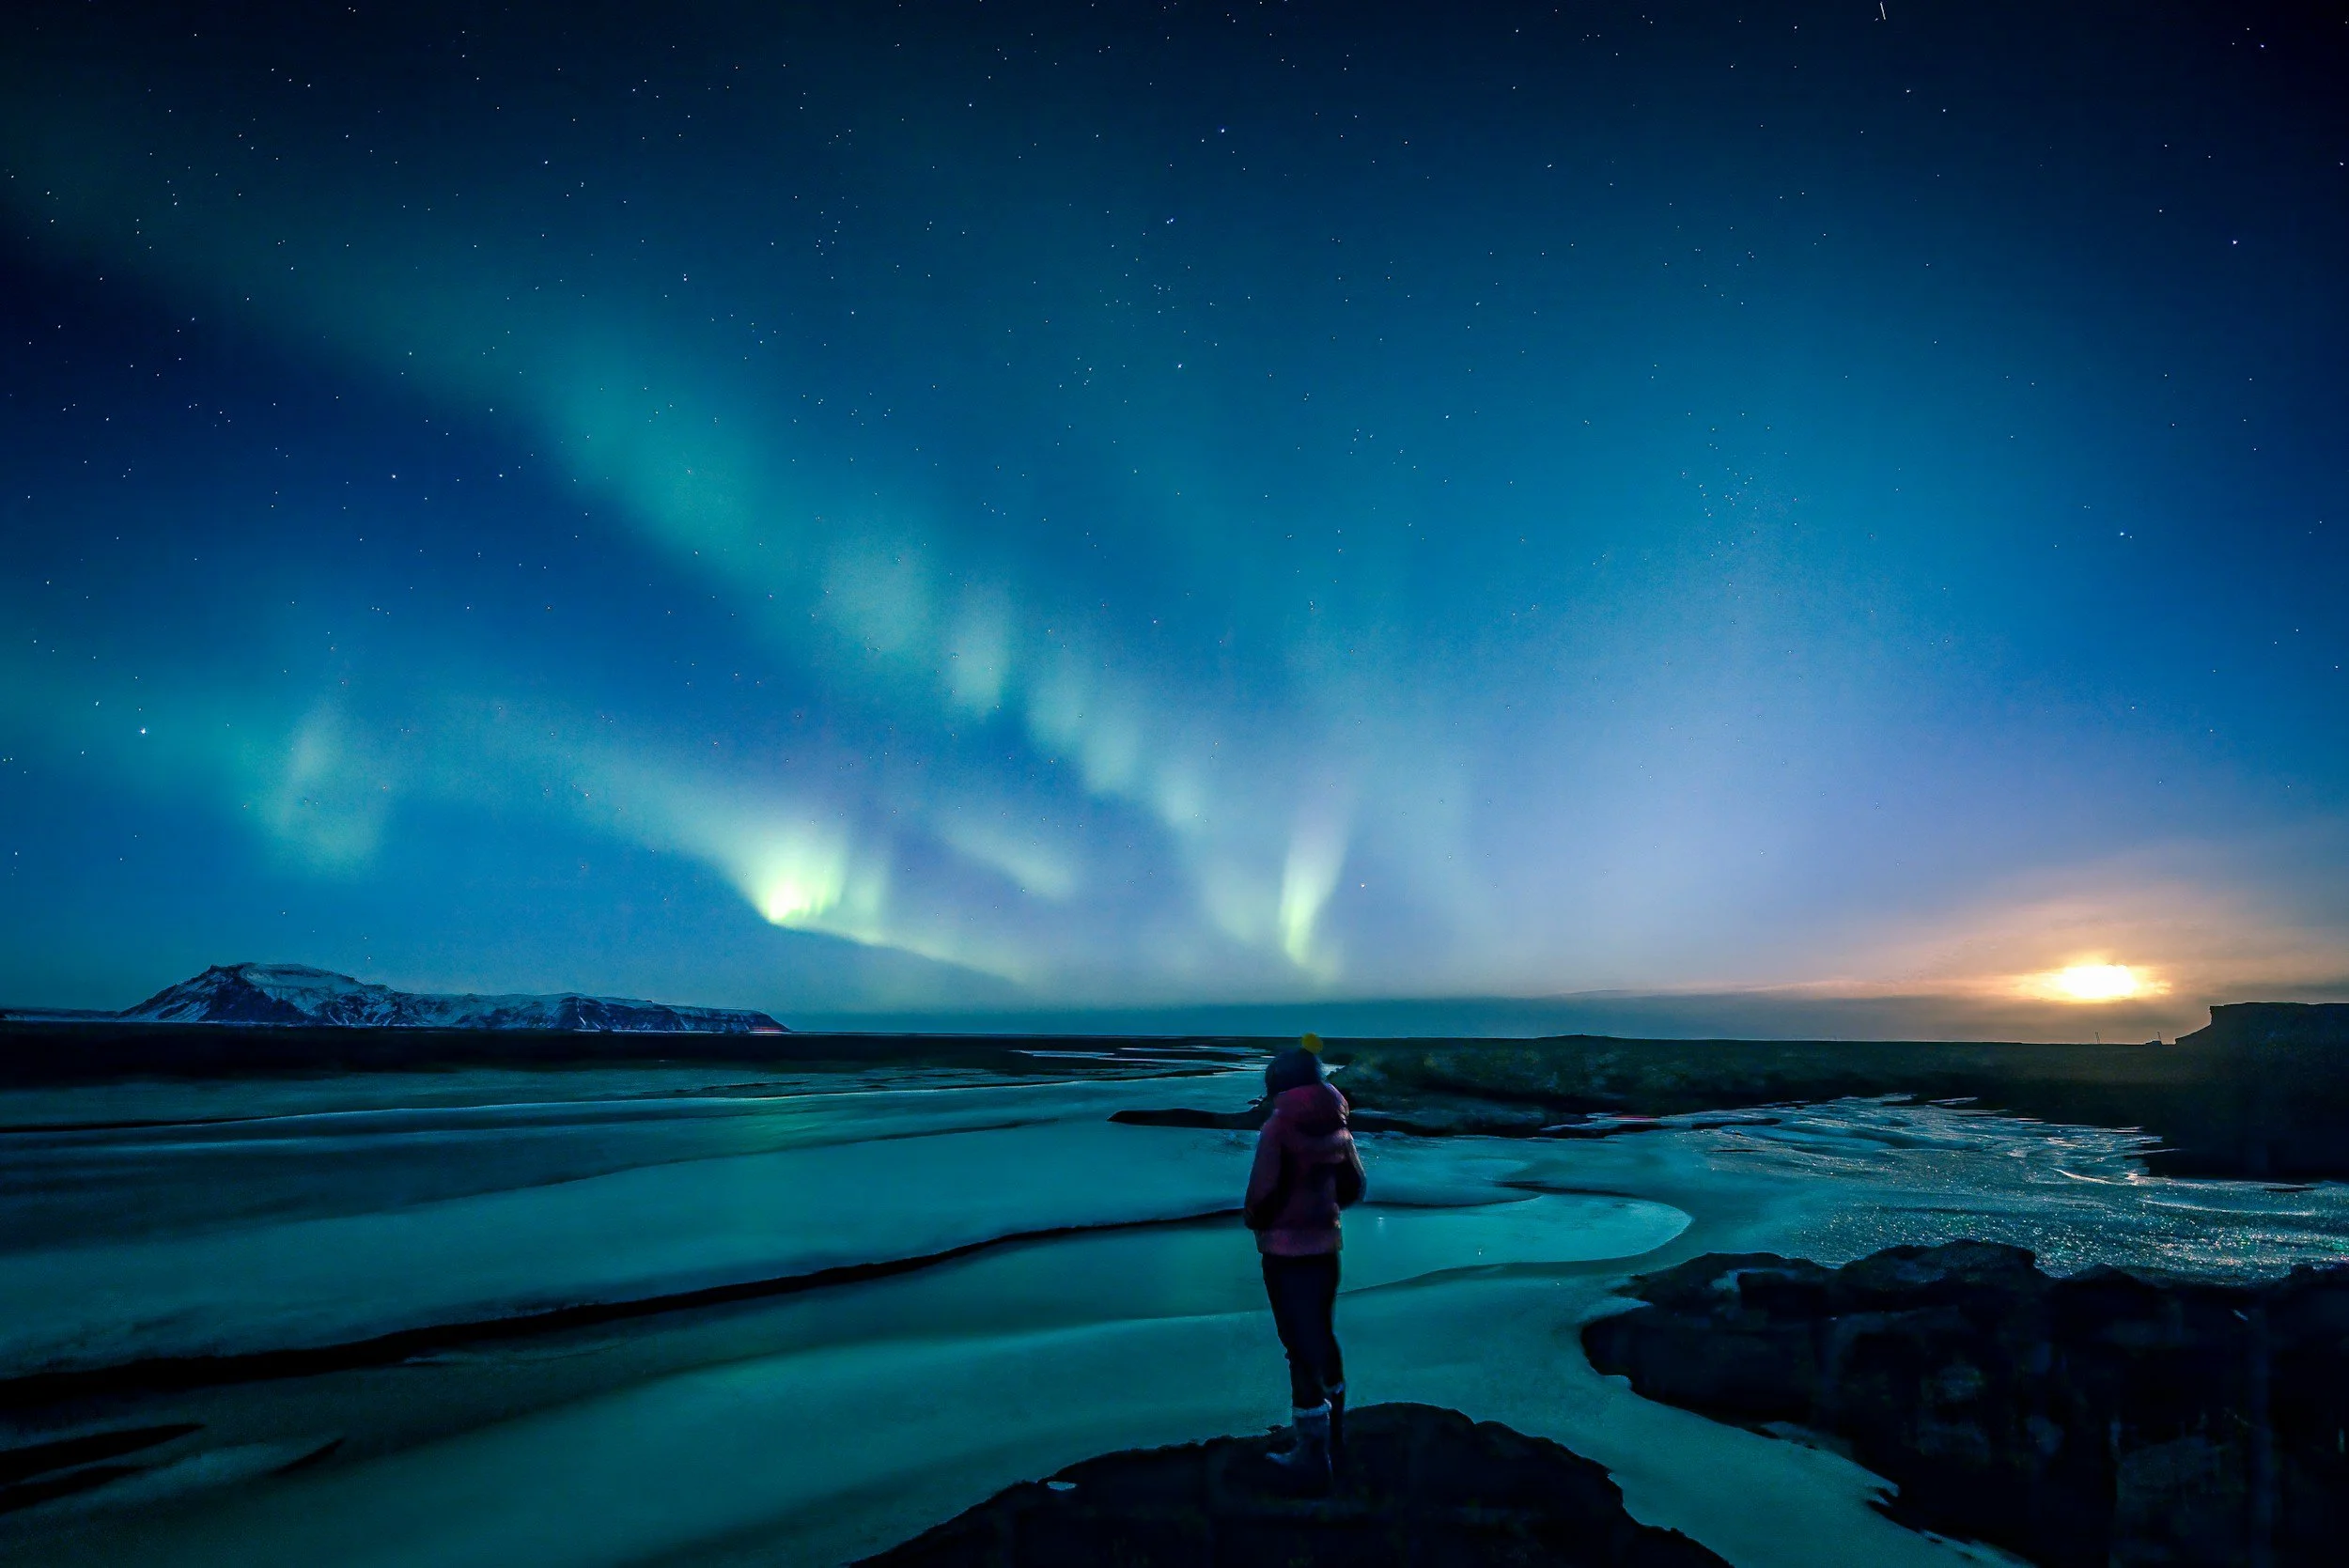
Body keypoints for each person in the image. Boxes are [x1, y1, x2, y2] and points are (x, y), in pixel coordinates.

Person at [1243, 1032, 1366, 1490]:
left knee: (1298, 1345)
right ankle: (1334, 1438)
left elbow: (1262, 1192)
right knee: (1322, 1336)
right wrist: (1322, 1212)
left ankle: (1312, 1455)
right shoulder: (1338, 1122)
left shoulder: (1278, 1127)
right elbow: (1354, 1185)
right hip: (1325, 1248)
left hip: (1284, 1252)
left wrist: (1256, 1219)